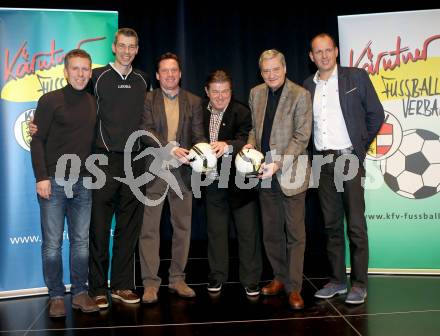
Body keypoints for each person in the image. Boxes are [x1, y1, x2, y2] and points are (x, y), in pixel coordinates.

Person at [303, 33, 384, 304]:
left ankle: (359, 283)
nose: (324, 55)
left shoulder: (356, 77)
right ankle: (338, 280)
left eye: (328, 50)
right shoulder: (307, 86)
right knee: (331, 225)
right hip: (322, 162)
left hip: (349, 159)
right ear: (311, 57)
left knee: (356, 225)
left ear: (336, 51)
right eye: (318, 51)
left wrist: (359, 147)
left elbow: (376, 114)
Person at [30, 49, 99, 317]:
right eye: (75, 69)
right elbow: (37, 140)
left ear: (90, 72)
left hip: (83, 182)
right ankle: (56, 295)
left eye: (85, 69)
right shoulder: (49, 101)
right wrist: (41, 177)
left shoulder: (93, 102)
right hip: (54, 183)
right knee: (52, 243)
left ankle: (80, 293)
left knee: (81, 242)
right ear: (65, 71)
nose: (81, 74)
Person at [244, 49, 312, 310]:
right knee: (271, 233)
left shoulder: (300, 95)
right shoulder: (255, 93)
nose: (271, 74)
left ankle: (295, 288)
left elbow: (302, 137)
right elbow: (254, 128)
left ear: (284, 68)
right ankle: (280, 278)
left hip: (290, 172)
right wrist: (250, 146)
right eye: (266, 70)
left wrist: (279, 163)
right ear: (261, 72)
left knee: (295, 234)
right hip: (264, 173)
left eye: (275, 69)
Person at [87, 28, 150, 308]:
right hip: (103, 159)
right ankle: (98, 288)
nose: (126, 51)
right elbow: (77, 108)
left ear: (137, 49)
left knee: (128, 228)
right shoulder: (97, 76)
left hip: (135, 161)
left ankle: (123, 286)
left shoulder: (143, 80)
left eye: (132, 47)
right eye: (122, 46)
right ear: (114, 47)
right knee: (99, 227)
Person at [139, 52, 206, 304]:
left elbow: (199, 135)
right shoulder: (147, 99)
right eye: (164, 70)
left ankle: (177, 278)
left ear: (180, 73)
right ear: (158, 75)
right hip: (154, 170)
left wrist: (199, 152)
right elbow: (145, 130)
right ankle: (150, 283)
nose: (170, 74)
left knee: (182, 227)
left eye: (174, 70)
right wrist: (168, 146)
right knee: (149, 229)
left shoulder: (193, 100)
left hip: (183, 173)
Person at [202, 70, 262, 296]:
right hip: (213, 181)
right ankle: (217, 276)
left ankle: (251, 279)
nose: (220, 96)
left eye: (225, 91)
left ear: (231, 91)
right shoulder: (199, 111)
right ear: (207, 91)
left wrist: (226, 145)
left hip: (240, 182)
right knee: (216, 232)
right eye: (215, 92)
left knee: (248, 233)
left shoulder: (242, 112)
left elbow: (246, 139)